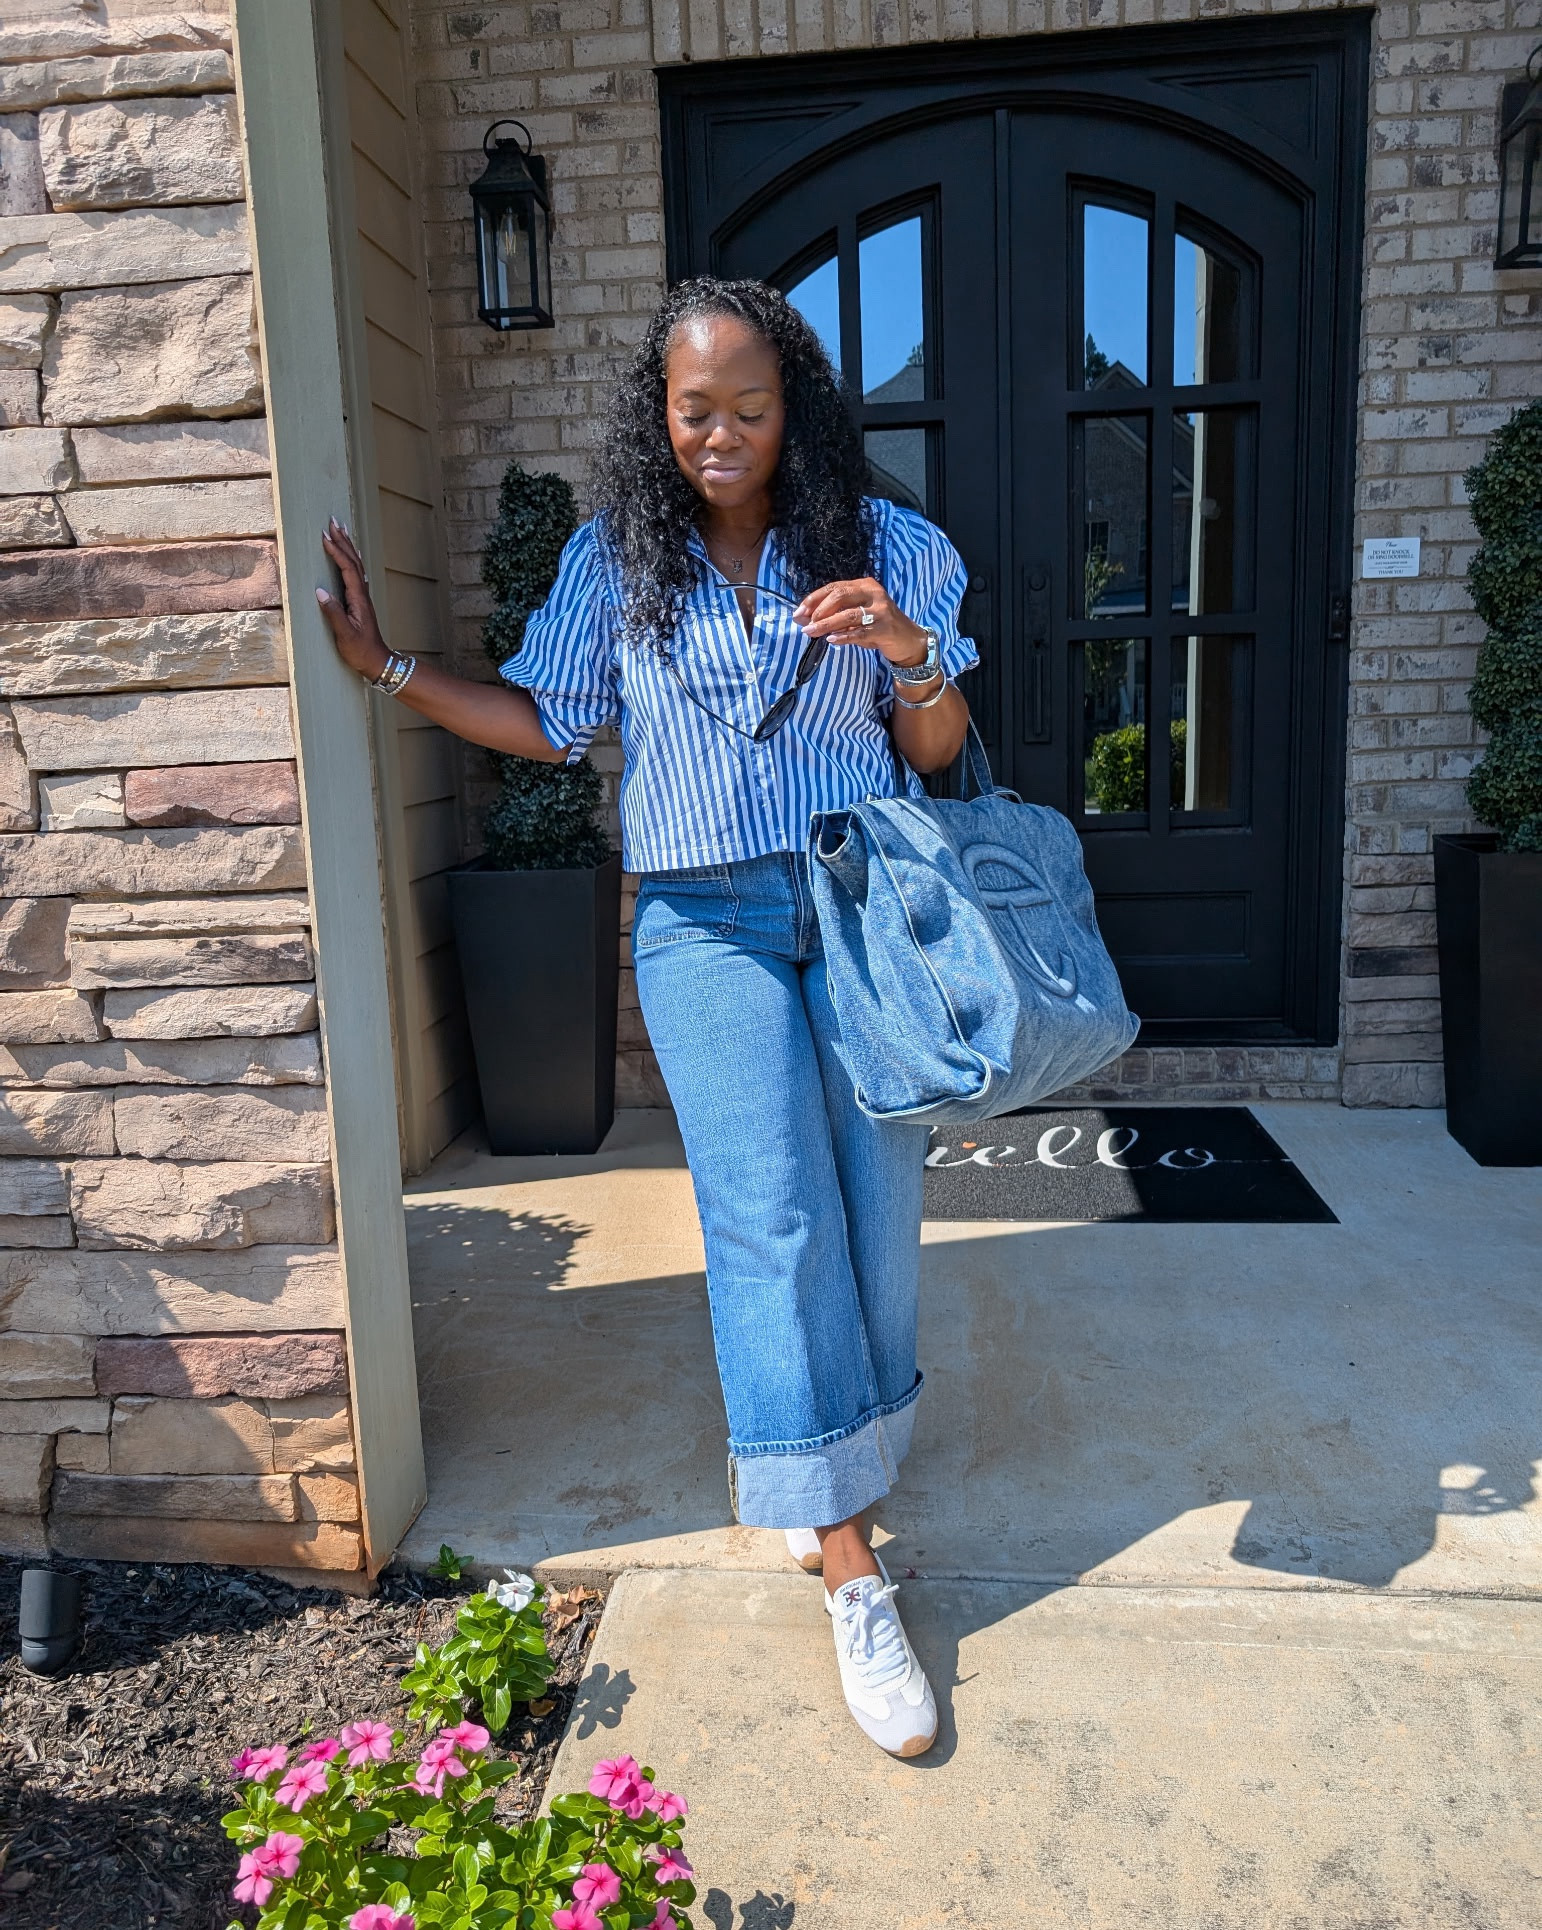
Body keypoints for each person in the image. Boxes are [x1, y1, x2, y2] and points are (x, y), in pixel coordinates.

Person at [318, 277, 976, 1759]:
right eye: (695, 410)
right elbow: (551, 721)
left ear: (791, 406)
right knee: (767, 1211)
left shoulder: (894, 548)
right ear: (657, 415)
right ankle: (847, 1553)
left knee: (874, 1197)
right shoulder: (619, 562)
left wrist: (903, 650)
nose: (722, 433)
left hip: (863, 903)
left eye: (749, 405)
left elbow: (934, 747)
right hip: (701, 921)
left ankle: (844, 1458)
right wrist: (393, 672)